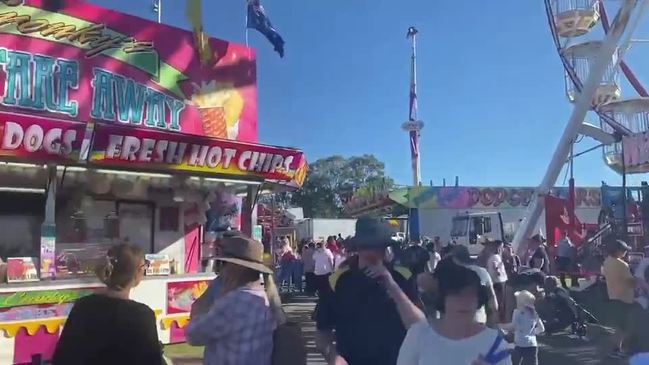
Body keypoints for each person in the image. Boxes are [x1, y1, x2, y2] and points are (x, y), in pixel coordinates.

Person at [315, 217, 415, 365]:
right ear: (358, 248)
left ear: (384, 248)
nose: (372, 252)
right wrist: (333, 356)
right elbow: (322, 332)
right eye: (366, 246)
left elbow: (420, 325)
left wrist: (392, 286)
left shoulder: (402, 278)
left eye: (377, 246)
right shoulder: (338, 281)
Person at [52, 244, 163, 365]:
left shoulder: (83, 306)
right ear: (137, 272)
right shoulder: (142, 315)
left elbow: (62, 357)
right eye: (144, 265)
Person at [185, 235, 281, 365]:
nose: (220, 270)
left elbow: (193, 336)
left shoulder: (233, 303)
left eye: (223, 263)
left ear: (236, 267)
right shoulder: (263, 297)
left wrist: (198, 312)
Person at [395, 262, 511, 365]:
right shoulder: (419, 335)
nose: (464, 302)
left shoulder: (495, 345)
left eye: (470, 295)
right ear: (443, 299)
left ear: (478, 301)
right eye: (456, 295)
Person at [602, 239, 638, 359]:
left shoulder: (607, 262)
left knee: (619, 327)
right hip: (625, 298)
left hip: (613, 297)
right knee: (627, 327)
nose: (625, 253)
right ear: (617, 251)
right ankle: (624, 350)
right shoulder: (622, 265)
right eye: (624, 250)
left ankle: (615, 349)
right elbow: (631, 282)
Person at [452, 246, 499, 326]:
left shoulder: (452, 275)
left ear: (455, 259)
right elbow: (492, 296)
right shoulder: (482, 272)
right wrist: (494, 315)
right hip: (479, 318)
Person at [500, 290, 544, 365]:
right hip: (532, 344)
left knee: (514, 362)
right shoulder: (534, 313)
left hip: (520, 344)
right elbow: (542, 329)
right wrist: (532, 333)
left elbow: (513, 326)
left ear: (520, 302)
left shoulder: (517, 312)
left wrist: (501, 326)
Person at [484, 240, 508, 322]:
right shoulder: (496, 257)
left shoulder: (493, 257)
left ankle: (499, 318)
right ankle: (501, 318)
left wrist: (497, 270)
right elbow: (495, 267)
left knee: (499, 300)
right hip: (500, 281)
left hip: (496, 281)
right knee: (501, 301)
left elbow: (493, 266)